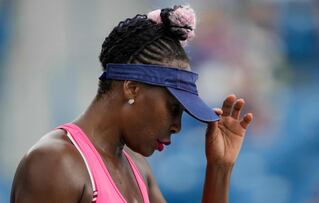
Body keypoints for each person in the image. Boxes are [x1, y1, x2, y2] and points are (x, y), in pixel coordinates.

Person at [10, 5, 253, 203]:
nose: (177, 126)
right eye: (173, 108)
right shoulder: (56, 163)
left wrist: (219, 168)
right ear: (132, 88)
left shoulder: (138, 169)